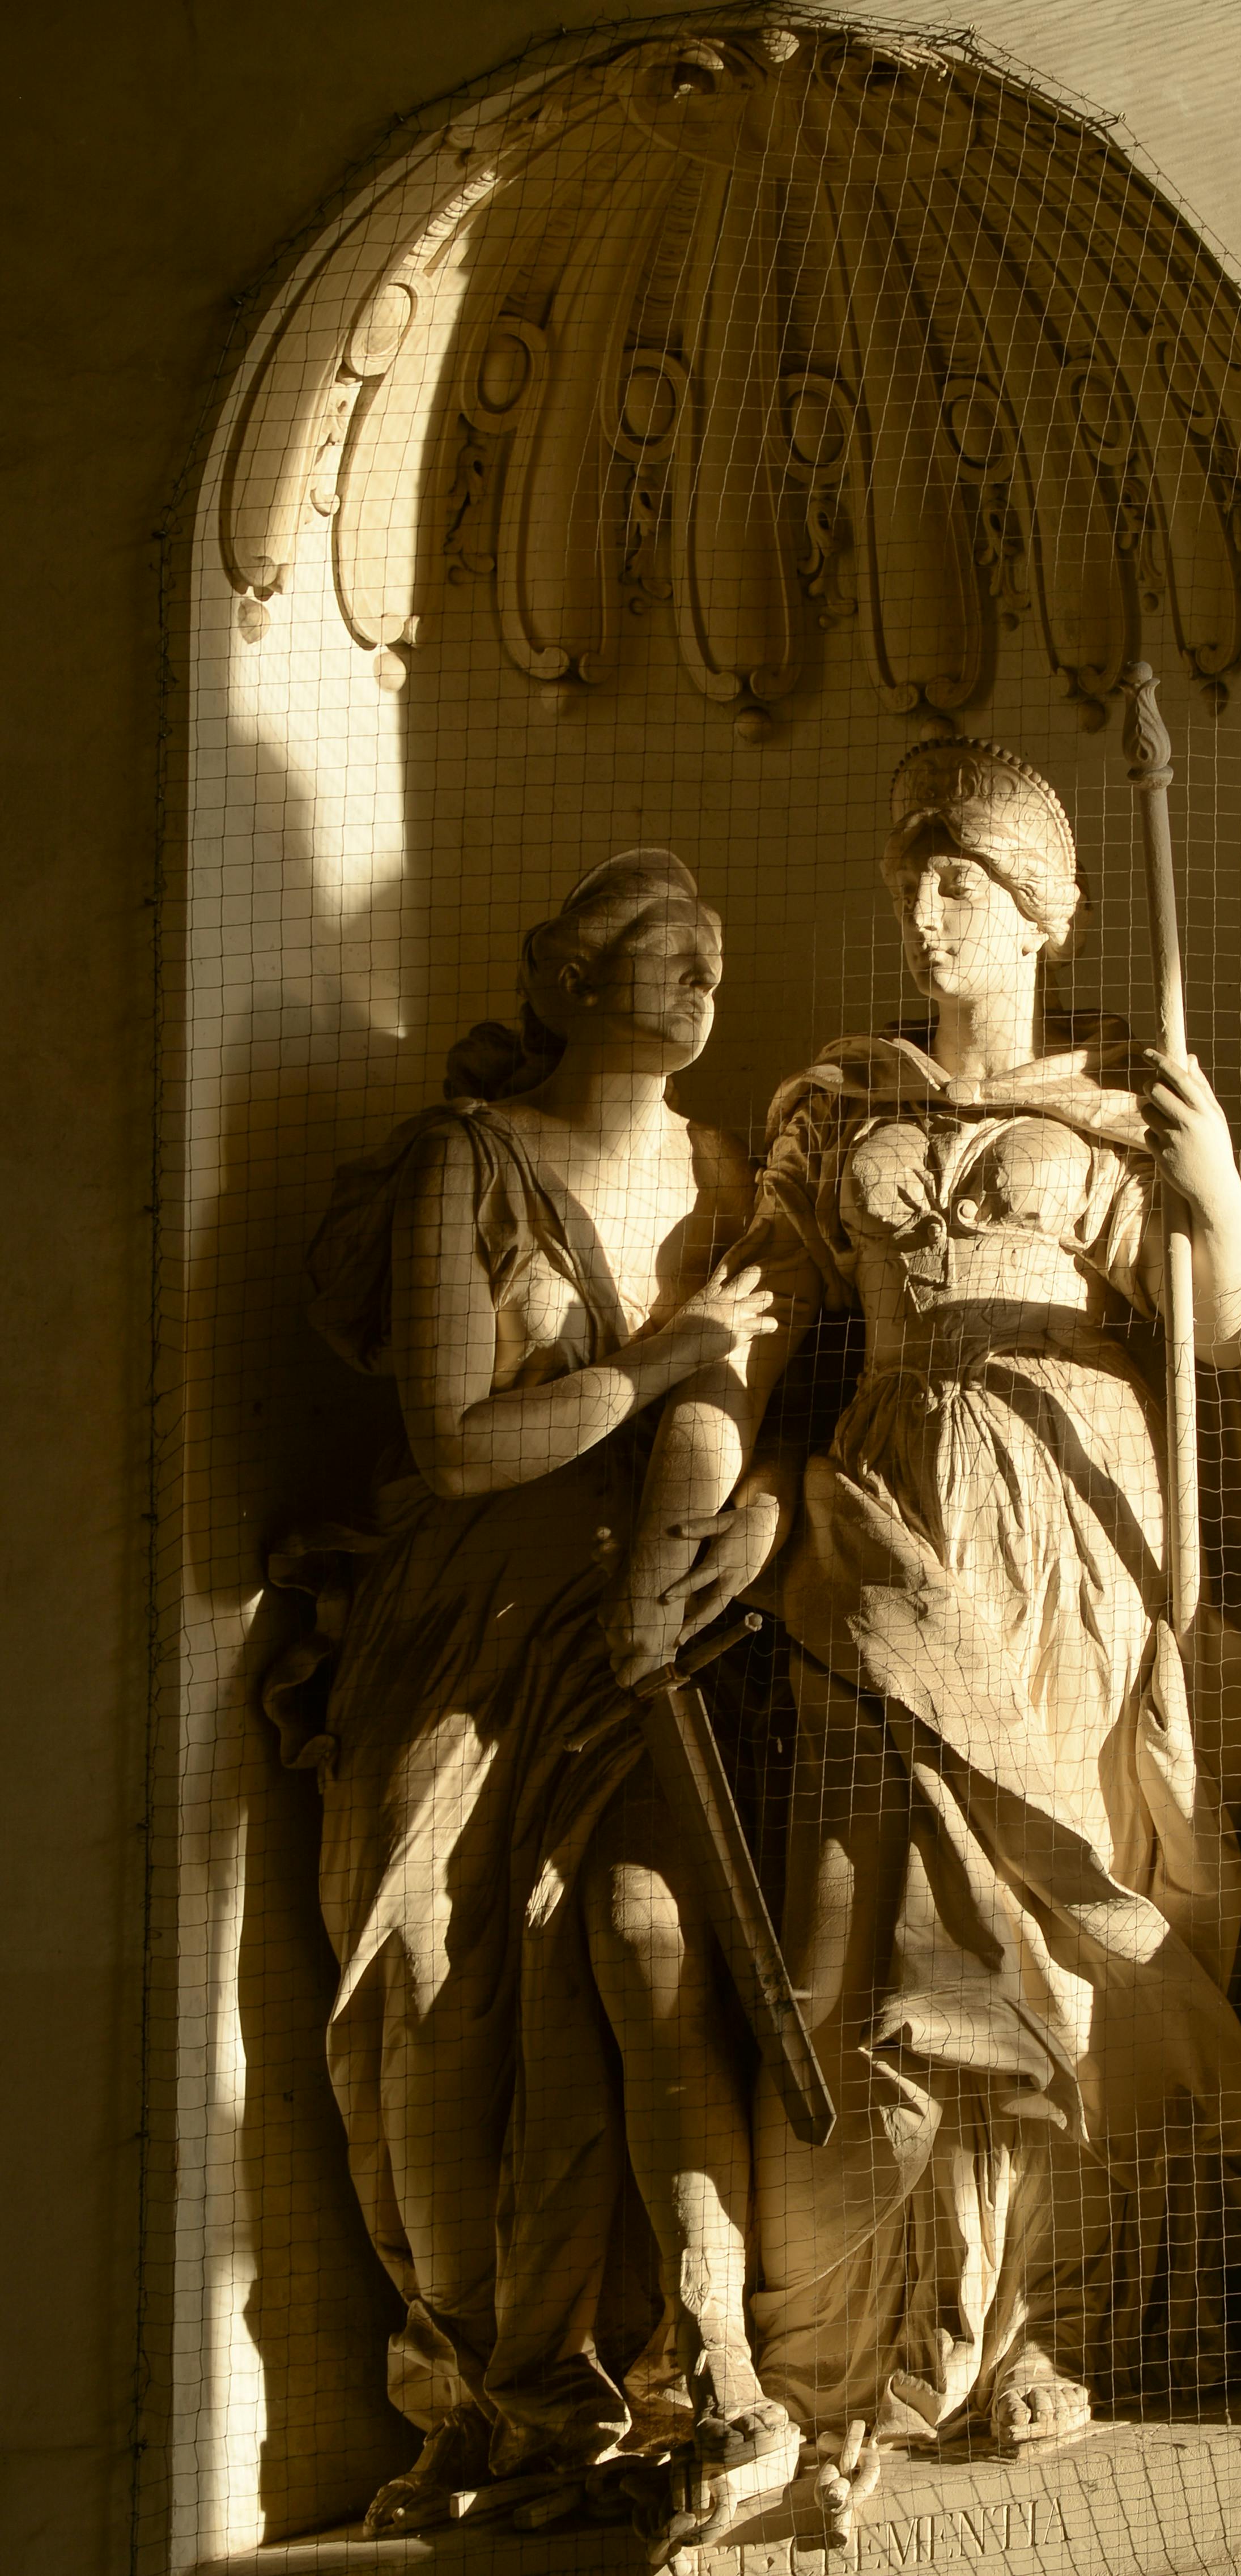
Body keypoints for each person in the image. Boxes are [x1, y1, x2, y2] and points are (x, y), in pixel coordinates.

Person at [610, 743, 1241, 2451]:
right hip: (880, 1518)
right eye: (913, 878)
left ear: (1046, 911)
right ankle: (877, 2331)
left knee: (1057, 1924)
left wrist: (1214, 1185)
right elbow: (750, 1336)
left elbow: (1227, 1332)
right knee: (862, 1926)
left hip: (1074, 1526)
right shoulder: (841, 1106)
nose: (928, 913)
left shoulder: (1118, 1105)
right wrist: (706, 1516)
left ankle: (1044, 2330)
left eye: (964, 881)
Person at [268, 850, 794, 2535]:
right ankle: (489, 2390)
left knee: (624, 1959)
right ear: (566, 976)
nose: (702, 976)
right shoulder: (467, 1162)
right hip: (458, 1626)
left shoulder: (720, 1171)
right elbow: (454, 1443)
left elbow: (766, 1406)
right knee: (430, 1976)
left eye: (716, 955)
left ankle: (665, 2363)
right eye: (668, 948)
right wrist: (654, 1359)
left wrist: (756, 1522)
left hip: (634, 1635)